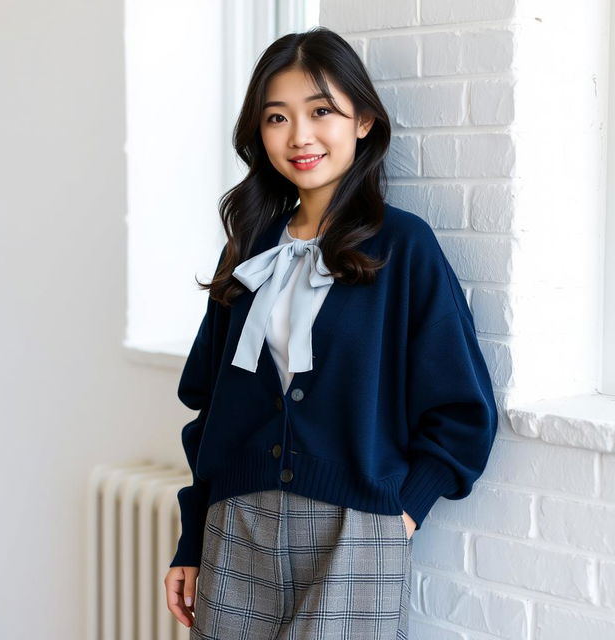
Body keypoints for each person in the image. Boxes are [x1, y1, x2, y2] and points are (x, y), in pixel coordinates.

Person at [164, 26, 498, 639]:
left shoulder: (404, 247)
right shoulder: (248, 251)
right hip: (236, 529)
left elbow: (463, 409)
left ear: (363, 121)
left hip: (356, 532)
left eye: (321, 111)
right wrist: (192, 536)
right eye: (276, 117)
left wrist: (402, 513)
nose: (300, 136)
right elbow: (210, 408)